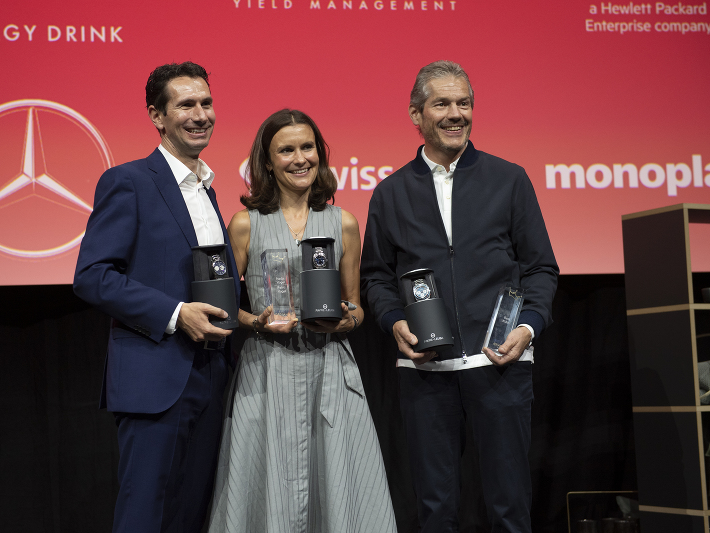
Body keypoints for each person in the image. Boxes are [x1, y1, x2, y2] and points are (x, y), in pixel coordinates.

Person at [360, 61, 559, 533]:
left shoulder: (509, 179)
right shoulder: (389, 193)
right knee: (435, 511)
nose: (456, 114)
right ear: (416, 114)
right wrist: (393, 321)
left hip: (502, 365)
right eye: (442, 104)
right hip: (426, 374)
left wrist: (528, 326)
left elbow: (540, 268)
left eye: (464, 103)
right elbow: (376, 278)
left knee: (510, 509)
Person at [207, 109, 397, 533]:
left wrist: (342, 322)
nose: (299, 159)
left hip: (329, 370)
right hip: (267, 370)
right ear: (267, 161)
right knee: (264, 489)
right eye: (286, 150)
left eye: (307, 147)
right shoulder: (245, 224)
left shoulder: (343, 222)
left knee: (338, 487)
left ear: (319, 154)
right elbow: (222, 307)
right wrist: (255, 321)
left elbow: (356, 307)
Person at [73, 62, 240, 533]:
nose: (200, 114)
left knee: (190, 515)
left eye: (206, 103)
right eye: (186, 105)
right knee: (145, 515)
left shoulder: (207, 189)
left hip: (212, 373)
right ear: (157, 116)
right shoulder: (129, 181)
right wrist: (176, 313)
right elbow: (92, 276)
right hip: (156, 379)